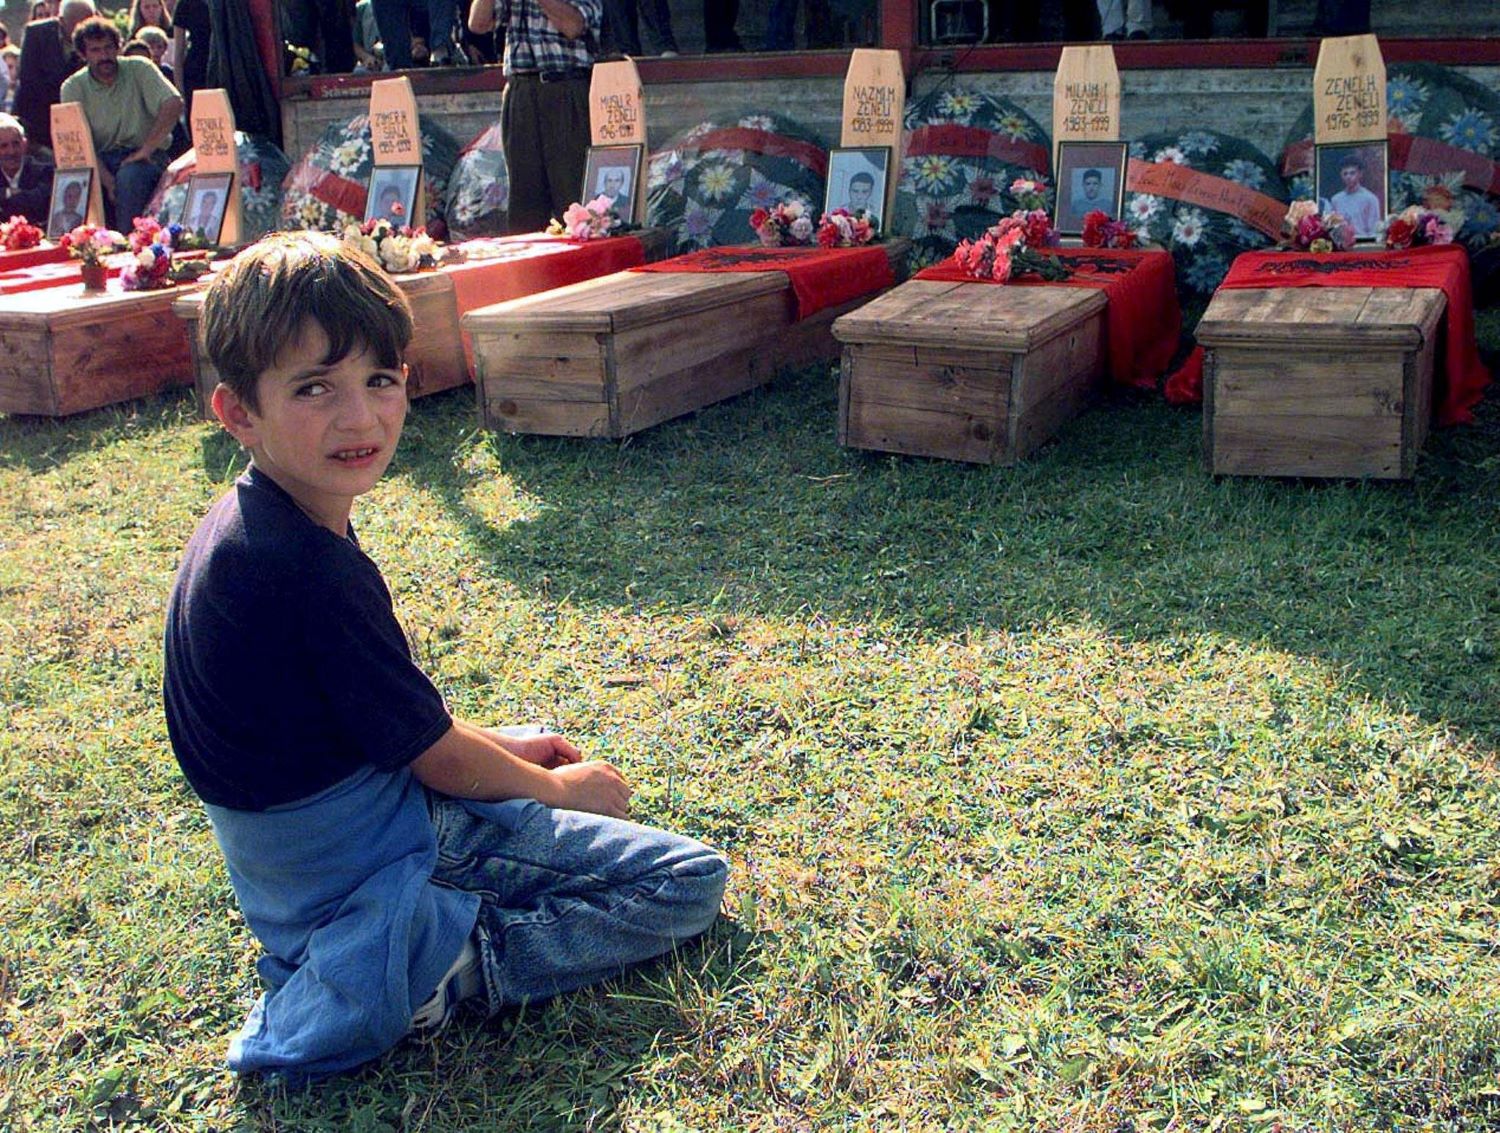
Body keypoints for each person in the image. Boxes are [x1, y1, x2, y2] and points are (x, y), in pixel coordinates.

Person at [162, 231, 728, 1080]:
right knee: (687, 880)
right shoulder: (305, 569)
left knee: (523, 747)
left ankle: (400, 937)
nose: (361, 418)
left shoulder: (254, 522)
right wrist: (558, 787)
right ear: (238, 409)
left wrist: (501, 741)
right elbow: (431, 758)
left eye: (380, 380)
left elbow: (373, 722)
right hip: (373, 854)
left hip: (295, 870)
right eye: (315, 387)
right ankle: (451, 968)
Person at [468, 0, 600, 234]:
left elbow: (573, 25)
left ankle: (583, 265)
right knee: (524, 201)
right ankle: (528, 266)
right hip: (521, 92)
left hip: (565, 87)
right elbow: (477, 24)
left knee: (573, 195)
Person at [59, 17, 182, 230]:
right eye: (95, 50)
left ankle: (129, 244)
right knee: (71, 181)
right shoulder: (72, 87)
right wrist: (106, 179)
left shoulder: (139, 68)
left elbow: (173, 103)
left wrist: (146, 149)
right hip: (99, 160)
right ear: (83, 54)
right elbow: (79, 141)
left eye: (108, 48)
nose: (104, 56)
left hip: (145, 156)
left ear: (118, 47)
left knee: (130, 177)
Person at [13, 0, 94, 155]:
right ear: (61, 21)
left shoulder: (97, 36)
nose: (84, 30)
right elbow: (28, 81)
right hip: (39, 118)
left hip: (80, 120)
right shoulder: (36, 34)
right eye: (78, 24)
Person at [0, 113, 55, 224]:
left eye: (16, 144)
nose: (11, 151)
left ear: (24, 144)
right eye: (3, 146)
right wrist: (8, 192)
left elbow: (40, 202)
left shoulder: (44, 171)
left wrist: (4, 201)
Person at [169, 0, 210, 116]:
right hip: (196, 71)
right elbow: (178, 52)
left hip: (225, 69)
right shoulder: (185, 3)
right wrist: (179, 90)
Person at [1328, 153, 1381, 237]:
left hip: (1363, 243)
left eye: (1352, 173)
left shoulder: (1370, 198)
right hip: (1342, 246)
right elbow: (1332, 227)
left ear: (1360, 174)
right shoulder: (1336, 199)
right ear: (1341, 175)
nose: (1348, 177)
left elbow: (1374, 230)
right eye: (1345, 173)